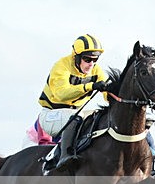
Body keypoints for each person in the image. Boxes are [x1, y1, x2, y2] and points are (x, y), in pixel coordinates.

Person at [36, 34, 108, 171]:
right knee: (77, 117)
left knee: (100, 117)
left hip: (74, 112)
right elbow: (62, 94)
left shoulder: (96, 70)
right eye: (87, 59)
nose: (91, 64)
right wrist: (90, 86)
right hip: (51, 115)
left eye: (95, 59)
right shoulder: (61, 66)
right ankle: (64, 157)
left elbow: (107, 94)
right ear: (76, 56)